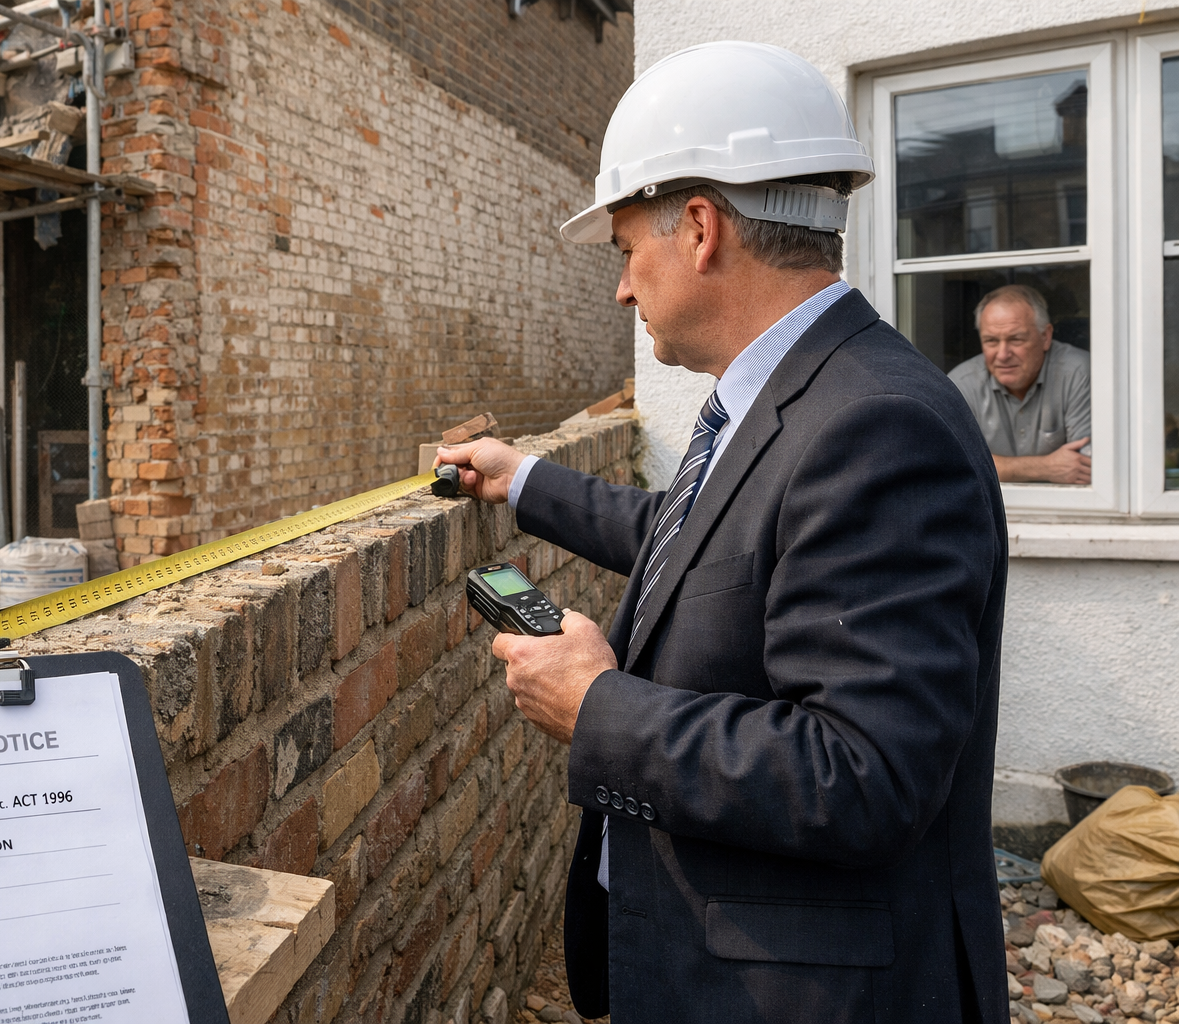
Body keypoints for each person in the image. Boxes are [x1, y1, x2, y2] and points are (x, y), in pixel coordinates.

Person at [437, 41, 1009, 1024]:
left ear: (699, 229)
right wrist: (522, 478)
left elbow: (863, 774)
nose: (622, 288)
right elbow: (701, 538)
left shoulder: (879, 424)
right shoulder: (793, 397)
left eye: (627, 251)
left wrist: (598, 706)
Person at [948, 284, 1092, 485]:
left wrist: (992, 468)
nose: (1003, 354)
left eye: (1016, 339)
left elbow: (1086, 468)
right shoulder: (961, 384)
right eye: (991, 341)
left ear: (1045, 337)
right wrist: (1046, 467)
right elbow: (952, 467)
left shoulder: (1079, 372)